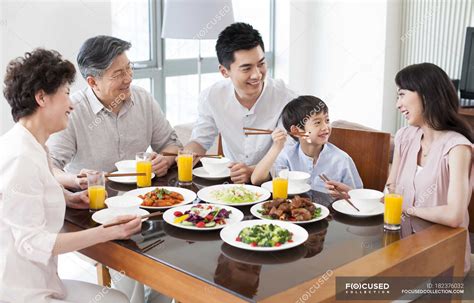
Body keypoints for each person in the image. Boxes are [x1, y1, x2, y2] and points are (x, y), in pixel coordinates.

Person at [0, 49, 142, 303]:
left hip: (43, 282)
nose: (72, 104)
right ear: (41, 97)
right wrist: (108, 231)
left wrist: (68, 198)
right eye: (65, 93)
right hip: (18, 298)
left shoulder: (32, 145)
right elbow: (32, 243)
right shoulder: (20, 156)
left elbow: (35, 189)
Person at [326, 63, 473, 275]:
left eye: (402, 94)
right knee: (338, 268)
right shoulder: (405, 136)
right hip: (398, 246)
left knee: (356, 293)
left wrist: (407, 208)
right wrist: (355, 194)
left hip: (441, 256)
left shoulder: (457, 148)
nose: (398, 104)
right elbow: (390, 195)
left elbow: (454, 215)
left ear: (427, 93)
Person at [47, 35, 182, 190]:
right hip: (92, 200)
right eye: (118, 74)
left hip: (141, 195)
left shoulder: (143, 99)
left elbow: (172, 144)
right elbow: (50, 167)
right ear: (93, 82)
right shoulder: (72, 111)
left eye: (129, 68)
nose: (128, 79)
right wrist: (75, 180)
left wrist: (164, 160)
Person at [184, 22, 297, 183]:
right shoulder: (212, 97)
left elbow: (290, 154)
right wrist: (187, 153)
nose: (257, 75)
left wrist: (254, 171)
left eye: (261, 64)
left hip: (275, 184)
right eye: (246, 68)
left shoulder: (286, 98)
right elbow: (200, 141)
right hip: (231, 185)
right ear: (224, 71)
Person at [251, 95, 363, 192]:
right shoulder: (287, 156)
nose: (326, 127)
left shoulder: (342, 159)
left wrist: (348, 194)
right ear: (296, 131)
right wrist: (276, 147)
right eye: (317, 122)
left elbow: (358, 195)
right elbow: (256, 179)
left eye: (327, 120)